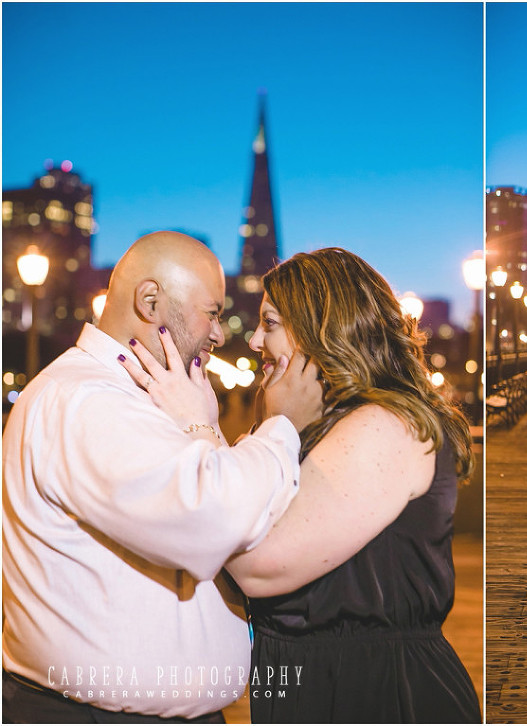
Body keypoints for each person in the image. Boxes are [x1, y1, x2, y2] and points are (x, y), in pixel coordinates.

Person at [135, 248, 482, 723]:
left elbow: (260, 567)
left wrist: (202, 426)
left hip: (377, 693)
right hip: (314, 686)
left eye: (271, 323)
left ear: (322, 329)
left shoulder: (384, 425)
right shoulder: (312, 427)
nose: (255, 340)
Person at [2, 231, 322, 723]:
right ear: (150, 301)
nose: (220, 335)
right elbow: (209, 518)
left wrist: (203, 427)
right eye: (212, 313)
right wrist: (282, 426)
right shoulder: (86, 400)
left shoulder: (131, 396)